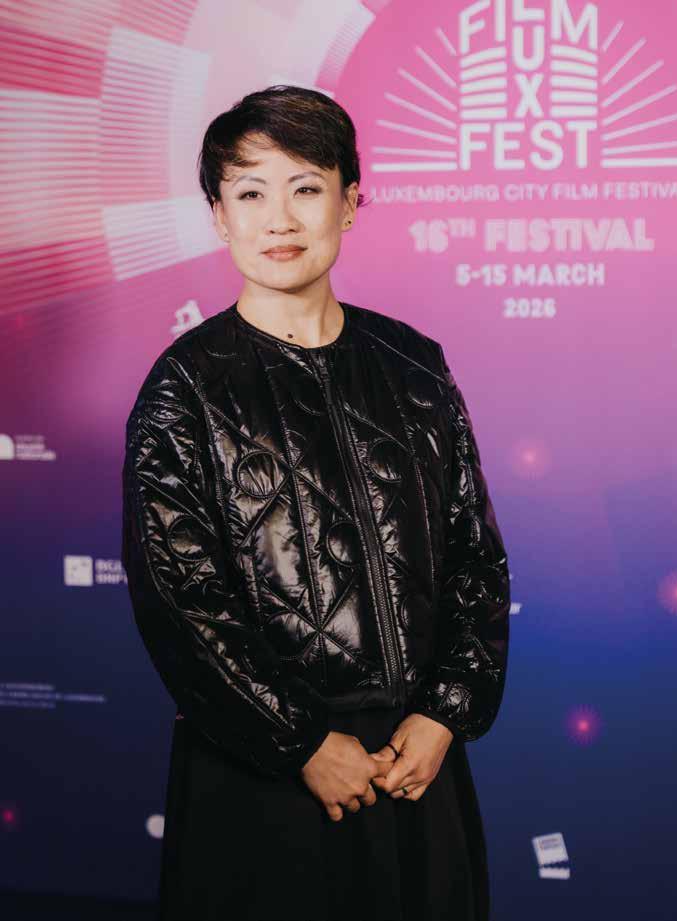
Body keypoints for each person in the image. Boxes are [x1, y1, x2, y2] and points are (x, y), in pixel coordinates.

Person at [121, 84, 510, 921]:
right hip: (263, 770)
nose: (279, 219)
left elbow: (473, 555)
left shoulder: (413, 365)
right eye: (249, 194)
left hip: (412, 757)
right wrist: (298, 739)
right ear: (219, 216)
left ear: (350, 202)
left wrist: (444, 713)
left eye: (305, 187)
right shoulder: (185, 388)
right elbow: (183, 601)